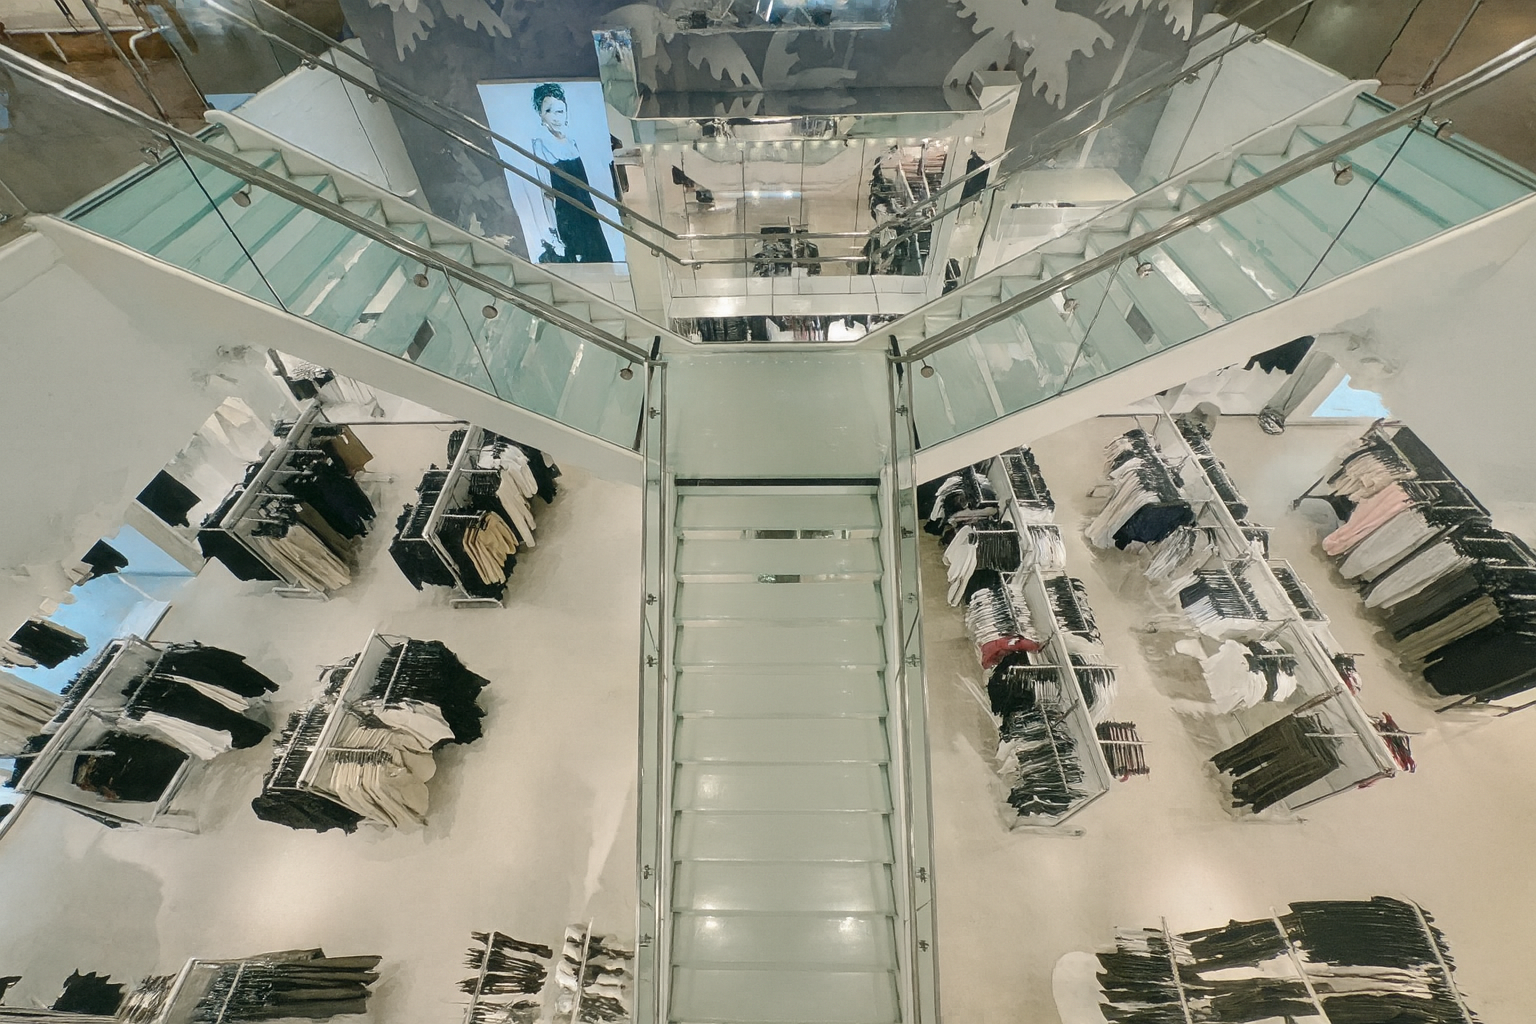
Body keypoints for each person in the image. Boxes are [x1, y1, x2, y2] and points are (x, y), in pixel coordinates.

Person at [529, 83, 613, 264]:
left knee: (600, 259)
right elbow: (547, 192)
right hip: (566, 217)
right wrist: (553, 229)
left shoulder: (573, 141)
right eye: (549, 111)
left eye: (560, 111)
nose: (556, 117)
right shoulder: (540, 144)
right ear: (541, 114)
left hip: (588, 212)